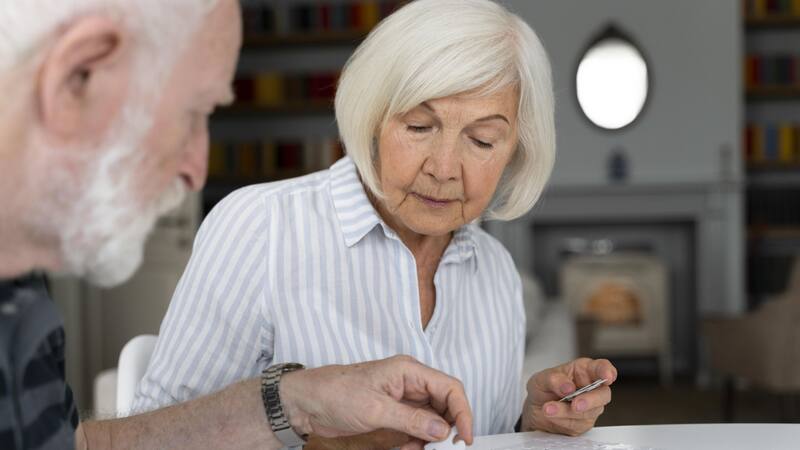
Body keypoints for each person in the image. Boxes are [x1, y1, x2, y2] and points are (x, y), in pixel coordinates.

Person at [134, 0, 618, 448]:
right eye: (419, 127)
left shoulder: (496, 271)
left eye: (483, 140)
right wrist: (313, 438)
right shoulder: (261, 229)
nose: (444, 167)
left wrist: (528, 422)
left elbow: (478, 436)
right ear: (372, 118)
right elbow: (154, 432)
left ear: (516, 152)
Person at [0, 0, 476, 449]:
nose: (197, 170)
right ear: (77, 74)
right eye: (193, 113)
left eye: (482, 139)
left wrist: (297, 403)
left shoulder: (19, 283)